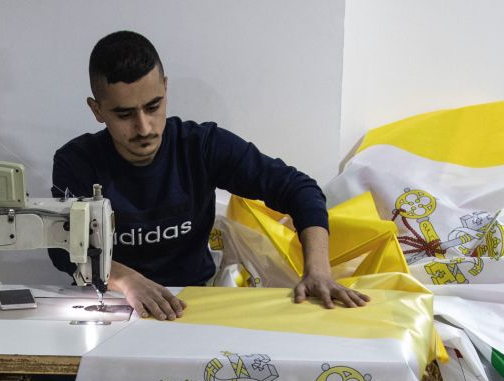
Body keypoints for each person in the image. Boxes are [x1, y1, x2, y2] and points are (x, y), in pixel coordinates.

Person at [50, 29, 367, 319]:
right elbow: (64, 248)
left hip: (195, 300)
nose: (144, 128)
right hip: (112, 301)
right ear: (97, 110)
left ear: (165, 89)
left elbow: (299, 189)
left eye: (153, 106)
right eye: (124, 114)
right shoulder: (76, 162)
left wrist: (319, 271)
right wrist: (126, 279)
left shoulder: (201, 146)